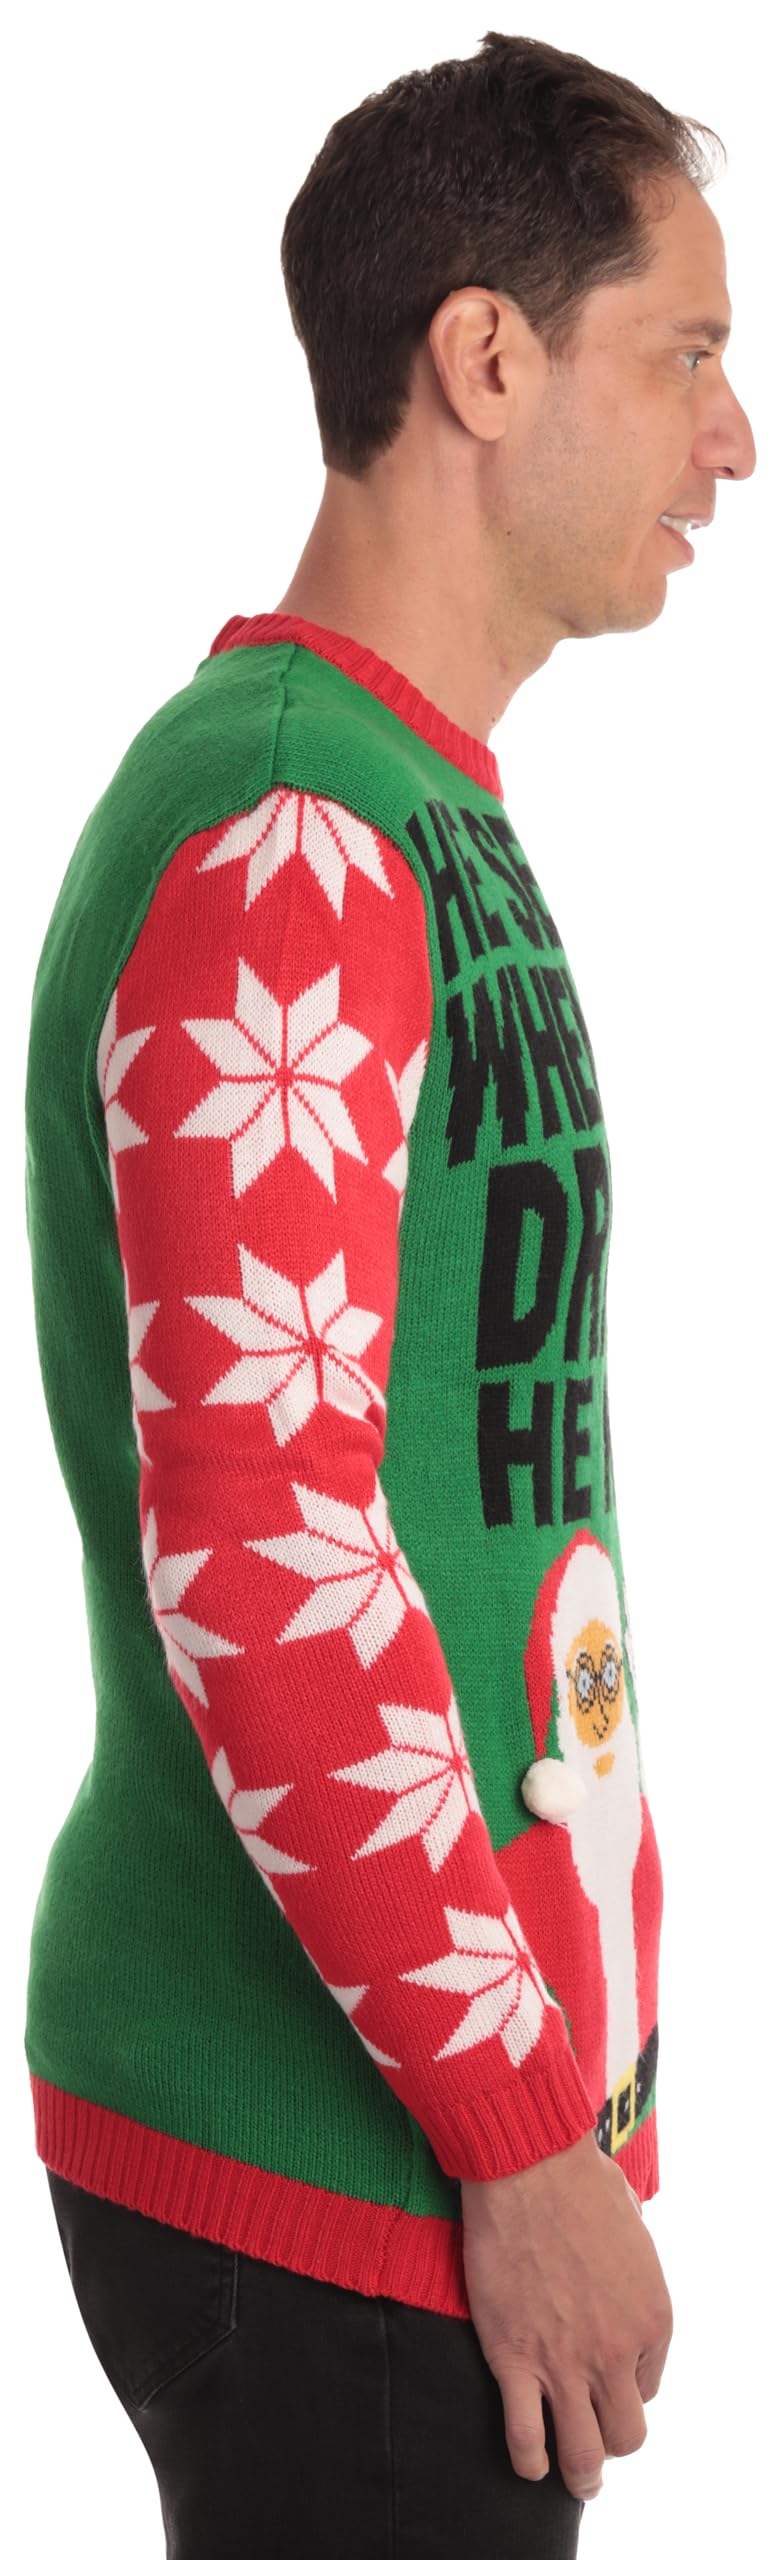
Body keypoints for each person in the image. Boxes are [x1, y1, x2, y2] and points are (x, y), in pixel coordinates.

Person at [26, 29, 755, 2560]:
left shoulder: (401, 798)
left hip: (397, 2141)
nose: (730, 438)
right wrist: (519, 2134)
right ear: (482, 358)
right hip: (327, 2165)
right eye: (682, 351)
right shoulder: (292, 836)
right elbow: (263, 1549)